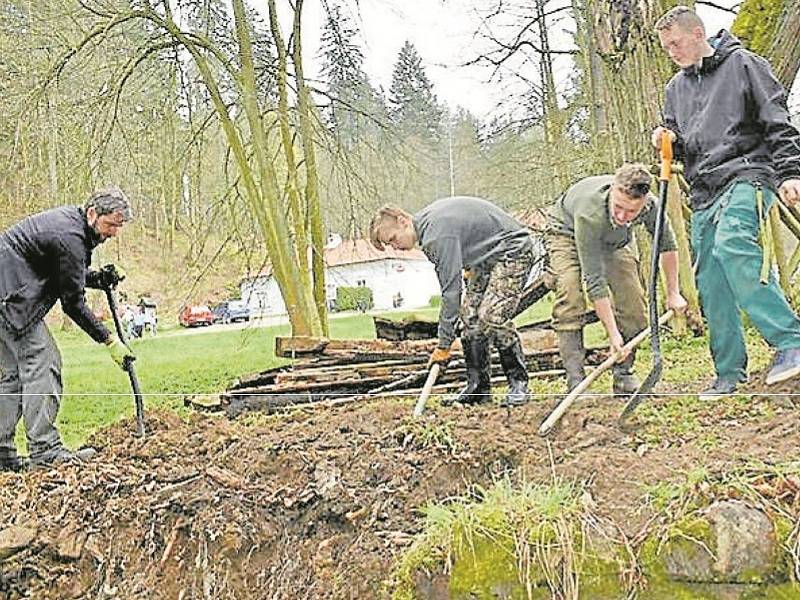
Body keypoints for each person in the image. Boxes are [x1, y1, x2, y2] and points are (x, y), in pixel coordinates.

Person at [653, 6, 800, 399]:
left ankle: (791, 342)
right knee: (710, 279)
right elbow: (683, 147)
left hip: (748, 171)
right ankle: (729, 371)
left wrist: (789, 172)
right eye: (666, 48)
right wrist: (667, 139)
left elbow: (777, 120)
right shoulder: (675, 90)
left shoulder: (744, 65)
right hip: (704, 189)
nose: (672, 52)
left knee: (733, 246)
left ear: (698, 33)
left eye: (676, 43)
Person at [0, 187, 135, 471]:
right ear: (92, 213)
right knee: (44, 362)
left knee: (12, 375)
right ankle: (45, 450)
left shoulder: (70, 226)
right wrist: (109, 340)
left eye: (118, 226)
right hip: (10, 301)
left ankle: (3, 454)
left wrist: (97, 278)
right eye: (111, 224)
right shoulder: (70, 237)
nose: (114, 233)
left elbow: (66, 271)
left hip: (7, 293)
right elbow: (72, 303)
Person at [369, 197, 536, 407]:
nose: (395, 246)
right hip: (486, 259)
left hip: (513, 251)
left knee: (492, 316)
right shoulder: (428, 226)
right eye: (389, 244)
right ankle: (478, 390)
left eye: (393, 239)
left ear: (403, 221)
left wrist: (444, 346)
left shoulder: (436, 236)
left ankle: (518, 383)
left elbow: (451, 293)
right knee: (470, 318)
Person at [545, 164, 688, 394]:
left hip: (614, 241)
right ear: (613, 190)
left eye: (631, 211)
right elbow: (594, 281)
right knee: (570, 293)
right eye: (619, 207)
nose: (623, 216)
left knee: (633, 301)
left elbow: (668, 247)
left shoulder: (652, 206)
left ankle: (623, 374)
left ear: (643, 203)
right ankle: (576, 380)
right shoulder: (589, 212)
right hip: (566, 233)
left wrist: (673, 293)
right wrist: (612, 334)